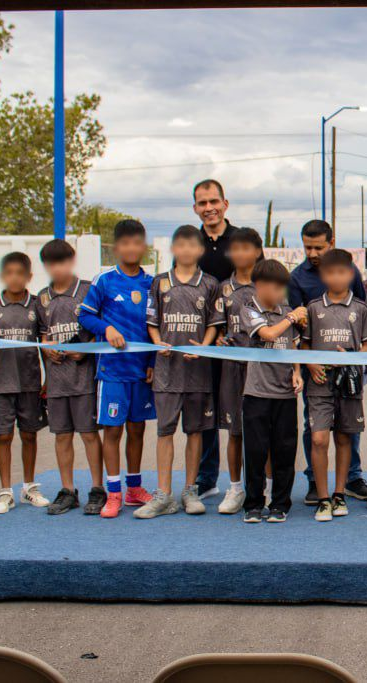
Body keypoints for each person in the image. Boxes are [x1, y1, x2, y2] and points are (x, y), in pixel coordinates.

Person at [138, 225, 224, 519]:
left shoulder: (210, 284)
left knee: (196, 432)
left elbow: (215, 322)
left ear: (200, 250)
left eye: (192, 245)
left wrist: (203, 346)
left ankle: (190, 490)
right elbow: (152, 321)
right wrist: (157, 342)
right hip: (166, 372)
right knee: (165, 431)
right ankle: (163, 494)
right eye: (181, 244)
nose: (187, 250)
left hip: (198, 373)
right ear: (173, 249)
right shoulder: (160, 283)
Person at [78, 219, 156, 518]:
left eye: (137, 243)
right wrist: (107, 327)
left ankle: (134, 488)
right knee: (113, 431)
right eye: (125, 243)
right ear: (116, 247)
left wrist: (151, 362)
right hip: (112, 372)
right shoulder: (104, 281)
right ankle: (113, 493)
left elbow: (153, 327)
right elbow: (85, 317)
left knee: (137, 429)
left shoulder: (150, 283)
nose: (131, 248)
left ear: (143, 247)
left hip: (141, 372)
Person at [288, 220, 367, 505]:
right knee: (316, 429)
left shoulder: (351, 272)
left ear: (331, 242)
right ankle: (314, 481)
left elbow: (361, 311)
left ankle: (352, 478)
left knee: (349, 428)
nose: (312, 252)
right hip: (316, 370)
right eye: (307, 247)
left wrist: (357, 358)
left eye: (318, 247)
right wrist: (308, 362)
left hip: (349, 367)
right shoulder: (297, 278)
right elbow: (297, 327)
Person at [302, 249, 367, 522]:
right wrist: (311, 364)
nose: (336, 277)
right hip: (320, 383)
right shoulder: (313, 308)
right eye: (330, 272)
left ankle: (338, 494)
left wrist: (355, 359)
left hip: (350, 384)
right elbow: (304, 343)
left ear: (351, 273)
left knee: (345, 437)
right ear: (323, 275)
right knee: (319, 438)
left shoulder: (361, 308)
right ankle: (322, 498)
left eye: (342, 272)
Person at [0, 252, 49, 514]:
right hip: (0, 384)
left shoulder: (36, 306)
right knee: (4, 436)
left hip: (30, 382)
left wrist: (48, 376)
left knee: (29, 435)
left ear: (29, 276)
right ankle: (5, 491)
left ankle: (29, 487)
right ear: (2, 276)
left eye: (20, 273)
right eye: (9, 273)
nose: (15, 278)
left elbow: (43, 342)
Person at [239, 258, 307, 523]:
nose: (280, 293)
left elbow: (294, 345)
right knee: (255, 452)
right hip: (256, 393)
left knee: (284, 451)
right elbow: (267, 335)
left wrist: (298, 372)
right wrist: (291, 317)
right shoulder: (249, 310)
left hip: (284, 395)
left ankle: (280, 504)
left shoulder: (286, 310)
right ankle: (253, 504)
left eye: (283, 287)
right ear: (260, 286)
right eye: (276, 287)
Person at [37, 240, 102, 515]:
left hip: (83, 379)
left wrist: (83, 351)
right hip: (57, 381)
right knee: (62, 436)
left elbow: (100, 330)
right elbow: (42, 334)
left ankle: (98, 489)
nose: (58, 268)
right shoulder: (42, 297)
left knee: (88, 435)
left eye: (62, 262)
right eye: (52, 264)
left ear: (72, 261)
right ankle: (67, 491)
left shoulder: (88, 290)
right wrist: (47, 350)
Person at [191, 180, 238, 502]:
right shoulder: (189, 242)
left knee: (240, 414)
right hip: (202, 343)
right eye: (202, 203)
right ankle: (206, 479)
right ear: (195, 208)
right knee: (204, 412)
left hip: (236, 342)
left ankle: (243, 483)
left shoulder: (242, 240)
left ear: (225, 203)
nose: (209, 208)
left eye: (213, 201)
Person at [214, 227, 264, 514]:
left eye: (246, 248)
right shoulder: (223, 288)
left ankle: (265, 488)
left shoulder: (270, 284)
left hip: (265, 370)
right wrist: (219, 338)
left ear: (257, 251)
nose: (240, 254)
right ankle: (235, 488)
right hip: (232, 370)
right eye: (235, 248)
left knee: (263, 433)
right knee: (235, 432)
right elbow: (217, 328)